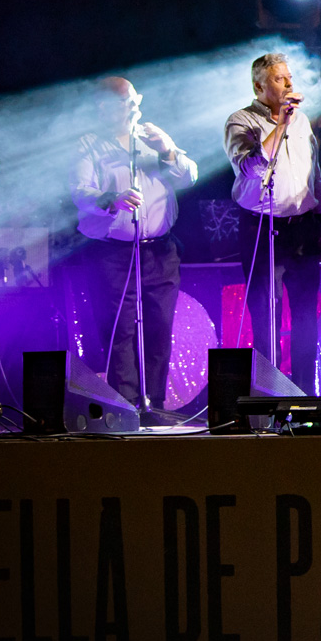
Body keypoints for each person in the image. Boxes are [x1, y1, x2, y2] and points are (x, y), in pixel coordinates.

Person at [70, 77, 198, 417]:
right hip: (114, 251)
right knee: (121, 328)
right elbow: (80, 192)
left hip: (160, 248)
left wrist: (168, 150)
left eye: (134, 102)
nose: (132, 110)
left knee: (159, 324)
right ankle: (125, 407)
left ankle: (154, 404)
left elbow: (189, 177)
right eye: (124, 103)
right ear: (104, 107)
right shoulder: (89, 144)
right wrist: (112, 199)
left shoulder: (152, 137)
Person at [224, 52, 321, 392]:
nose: (289, 84)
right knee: (266, 317)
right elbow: (250, 168)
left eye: (289, 78)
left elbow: (314, 175)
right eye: (279, 79)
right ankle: (270, 395)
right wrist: (281, 124)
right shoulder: (240, 121)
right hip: (261, 228)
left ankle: (304, 392)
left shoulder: (302, 121)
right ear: (259, 85)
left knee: (305, 316)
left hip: (303, 228)